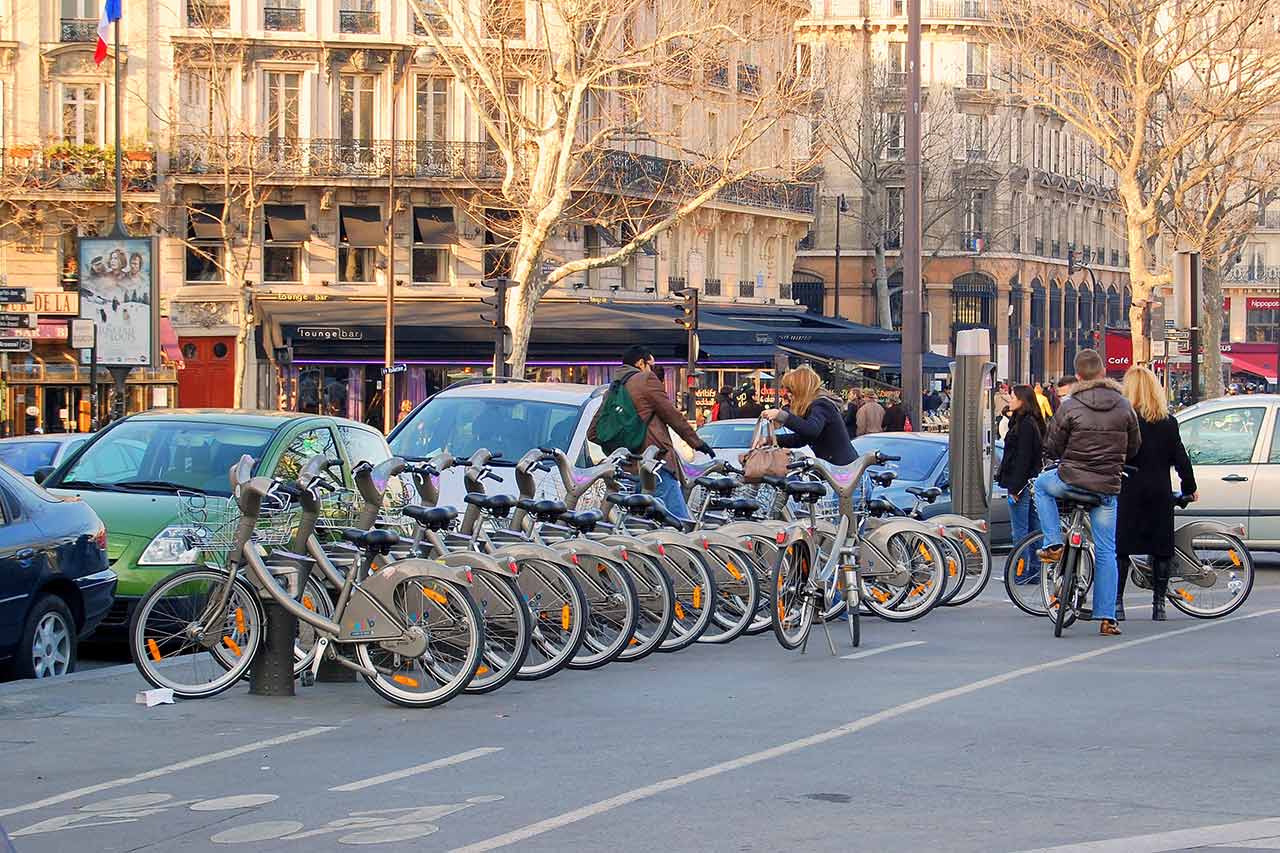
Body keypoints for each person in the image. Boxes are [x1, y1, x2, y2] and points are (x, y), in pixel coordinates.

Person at [1034, 349, 1140, 637]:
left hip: (1071, 480)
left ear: (1078, 376)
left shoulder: (1070, 406)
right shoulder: (1123, 405)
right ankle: (1107, 617)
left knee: (1041, 486)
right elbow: (1134, 447)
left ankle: (1054, 542)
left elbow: (1053, 445)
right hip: (1106, 486)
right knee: (1107, 551)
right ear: (1104, 373)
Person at [588, 345, 715, 519]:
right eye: (652, 365)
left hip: (629, 468)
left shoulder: (613, 388)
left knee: (641, 525)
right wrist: (697, 442)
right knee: (679, 522)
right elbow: (671, 415)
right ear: (641, 363)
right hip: (656, 463)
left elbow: (593, 433)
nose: (654, 370)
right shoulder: (646, 379)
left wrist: (624, 445)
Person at [1116, 366, 1197, 622]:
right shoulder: (1168, 423)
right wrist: (1189, 488)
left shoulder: (1125, 420)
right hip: (1159, 491)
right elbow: (1181, 458)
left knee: (1122, 549)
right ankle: (1159, 604)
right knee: (1161, 549)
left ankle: (1117, 603)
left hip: (1129, 490)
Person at [761, 365, 856, 465]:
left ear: (799, 390)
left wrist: (781, 416)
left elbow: (810, 430)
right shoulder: (817, 405)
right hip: (837, 467)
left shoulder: (821, 404)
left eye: (791, 391)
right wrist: (771, 440)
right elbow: (802, 438)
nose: (789, 395)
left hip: (842, 470)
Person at [996, 385, 1045, 550]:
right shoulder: (1028, 421)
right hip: (1029, 481)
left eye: (1013, 397)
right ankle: (1034, 572)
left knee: (1020, 533)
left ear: (1022, 401)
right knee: (1033, 529)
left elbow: (1023, 458)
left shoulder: (1025, 424)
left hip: (1021, 483)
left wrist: (1015, 487)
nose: (1009, 399)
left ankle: (1020, 573)